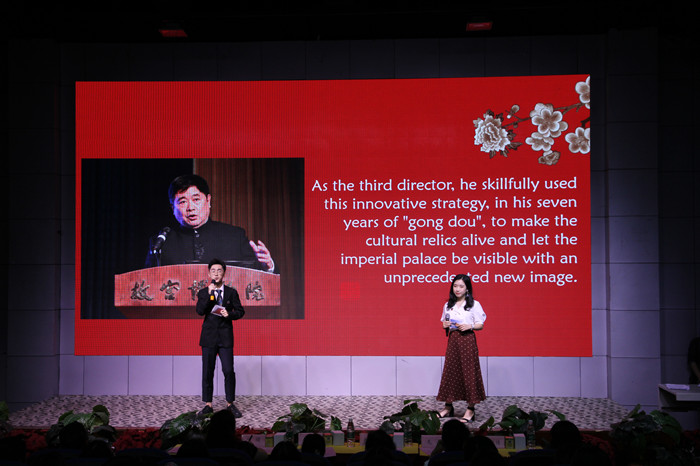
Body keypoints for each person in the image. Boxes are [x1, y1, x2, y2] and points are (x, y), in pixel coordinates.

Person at [145, 174, 274, 271]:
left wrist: (268, 266)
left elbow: (258, 278)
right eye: (183, 202)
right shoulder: (161, 243)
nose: (190, 207)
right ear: (173, 208)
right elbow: (146, 284)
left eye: (196, 199)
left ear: (208, 200)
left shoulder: (235, 236)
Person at [197, 258, 245, 418]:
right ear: (209, 273)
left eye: (219, 270)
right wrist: (209, 294)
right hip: (208, 337)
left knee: (228, 370)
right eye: (213, 271)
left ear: (224, 273)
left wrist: (229, 314)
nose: (216, 274)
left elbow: (240, 311)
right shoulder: (203, 292)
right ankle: (208, 405)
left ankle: (230, 403)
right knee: (207, 371)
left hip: (225, 338)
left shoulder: (231, 292)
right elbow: (200, 311)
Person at [436, 274, 486, 423]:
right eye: (455, 286)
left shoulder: (474, 304)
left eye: (461, 286)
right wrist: (445, 325)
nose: (457, 289)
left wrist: (470, 326)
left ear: (467, 289)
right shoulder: (448, 305)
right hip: (453, 340)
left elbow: (480, 324)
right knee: (450, 371)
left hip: (467, 340)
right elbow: (444, 321)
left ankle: (470, 409)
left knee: (469, 373)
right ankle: (448, 406)